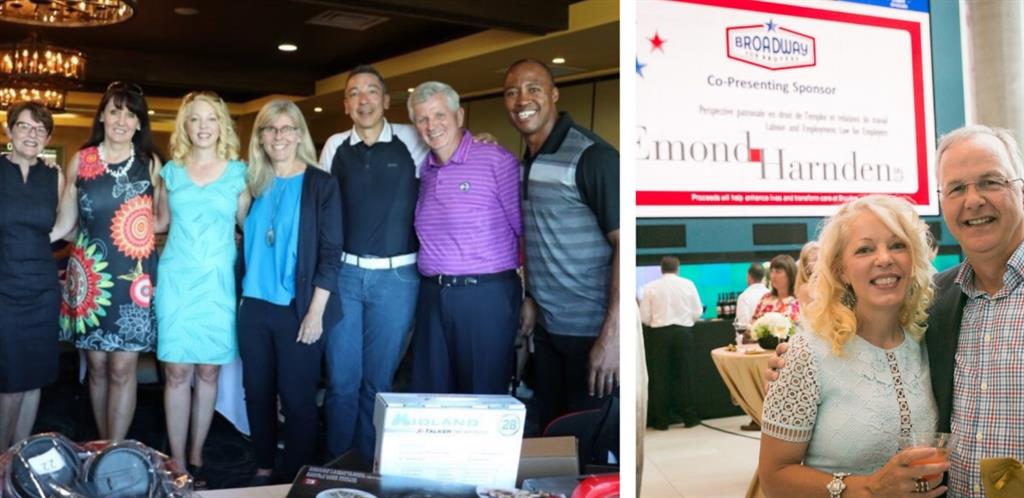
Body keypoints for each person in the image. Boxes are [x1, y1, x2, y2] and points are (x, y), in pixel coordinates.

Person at [768, 126, 1024, 497]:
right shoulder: (942, 304)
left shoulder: (924, 319)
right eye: (956, 188)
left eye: (990, 181)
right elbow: (775, 473)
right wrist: (794, 368)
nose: (973, 200)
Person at [759, 194, 947, 498]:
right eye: (864, 249)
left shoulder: (929, 337)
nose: (884, 258)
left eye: (897, 245)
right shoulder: (807, 353)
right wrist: (867, 489)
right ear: (842, 270)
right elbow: (773, 477)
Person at [317, 65, 427, 461]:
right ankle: (336, 467)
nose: (363, 100)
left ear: (386, 100)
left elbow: (453, 153)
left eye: (371, 92)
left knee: (378, 383)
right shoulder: (333, 147)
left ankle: (369, 465)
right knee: (342, 382)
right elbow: (321, 211)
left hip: (398, 279)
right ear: (346, 104)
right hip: (345, 275)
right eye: (354, 93)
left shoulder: (414, 140)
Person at [504, 59, 620, 432]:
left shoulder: (593, 156)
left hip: (591, 335)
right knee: (553, 438)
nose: (523, 98)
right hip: (548, 333)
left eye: (534, 88)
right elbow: (544, 237)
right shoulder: (526, 160)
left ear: (553, 95)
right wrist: (532, 297)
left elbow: (625, 244)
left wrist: (612, 336)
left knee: (589, 448)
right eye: (512, 91)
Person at [239, 100, 342, 484]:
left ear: (299, 134)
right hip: (253, 306)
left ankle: (296, 477)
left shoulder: (322, 184)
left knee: (298, 400)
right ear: (261, 138)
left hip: (298, 309)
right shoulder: (251, 183)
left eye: (286, 129)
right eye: (269, 129)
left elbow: (331, 255)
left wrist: (315, 313)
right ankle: (264, 467)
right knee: (257, 393)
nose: (278, 136)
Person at [55, 81, 164, 441]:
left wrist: (137, 239)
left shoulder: (150, 164)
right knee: (98, 368)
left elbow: (161, 220)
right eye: (115, 111)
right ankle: (102, 444)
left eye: (130, 114)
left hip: (133, 279)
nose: (121, 120)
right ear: (102, 115)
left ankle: (115, 449)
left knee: (123, 368)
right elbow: (67, 226)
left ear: (138, 123)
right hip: (90, 280)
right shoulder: (81, 160)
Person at [154, 91, 250, 479]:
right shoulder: (170, 172)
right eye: (195, 119)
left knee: (208, 373)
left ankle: (197, 454)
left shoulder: (239, 173)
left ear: (222, 124)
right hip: (176, 281)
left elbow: (251, 228)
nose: (203, 126)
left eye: (211, 118)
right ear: (185, 126)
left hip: (217, 285)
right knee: (177, 373)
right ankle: (176, 461)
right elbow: (156, 223)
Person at [405, 81, 522, 395]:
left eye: (440, 115)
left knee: (481, 396)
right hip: (431, 295)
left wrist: (532, 298)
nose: (432, 126)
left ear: (459, 116)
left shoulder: (497, 160)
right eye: (422, 119)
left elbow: (527, 233)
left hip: (485, 296)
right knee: (431, 395)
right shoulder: (424, 171)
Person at [0, 102, 63, 451]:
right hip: (4, 288)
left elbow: (67, 223)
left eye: (40, 129)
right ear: (9, 131)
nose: (32, 134)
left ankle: (18, 461)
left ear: (48, 137)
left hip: (42, 287)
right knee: (9, 384)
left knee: (34, 379)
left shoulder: (55, 174)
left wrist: (38, 240)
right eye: (24, 127)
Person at [638, 256, 702, 430]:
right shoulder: (688, 284)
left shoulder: (650, 288)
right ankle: (689, 417)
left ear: (661, 269)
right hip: (683, 333)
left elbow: (643, 317)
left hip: (659, 334)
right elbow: (697, 311)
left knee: (660, 377)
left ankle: (661, 420)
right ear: (677, 268)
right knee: (685, 374)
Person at [751, 254, 800, 324]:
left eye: (778, 272)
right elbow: (753, 324)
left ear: (790, 275)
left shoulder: (798, 302)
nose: (773, 276)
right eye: (771, 271)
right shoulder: (765, 298)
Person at [795, 241, 821, 306]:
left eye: (822, 259)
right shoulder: (805, 289)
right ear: (806, 267)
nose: (821, 263)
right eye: (815, 260)